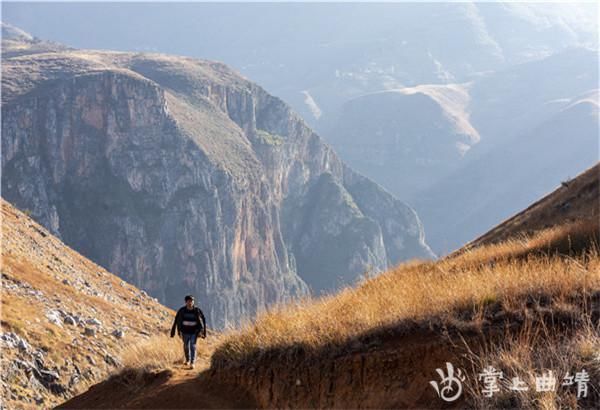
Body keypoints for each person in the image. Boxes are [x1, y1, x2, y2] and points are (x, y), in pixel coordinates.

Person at [170, 295, 206, 369]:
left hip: (194, 332)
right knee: (186, 346)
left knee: (192, 345)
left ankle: (192, 362)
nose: (190, 303)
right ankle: (187, 360)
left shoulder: (197, 310)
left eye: (191, 301)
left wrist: (201, 331)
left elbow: (202, 320)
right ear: (186, 302)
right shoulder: (182, 311)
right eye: (189, 301)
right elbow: (177, 321)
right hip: (185, 332)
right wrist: (178, 331)